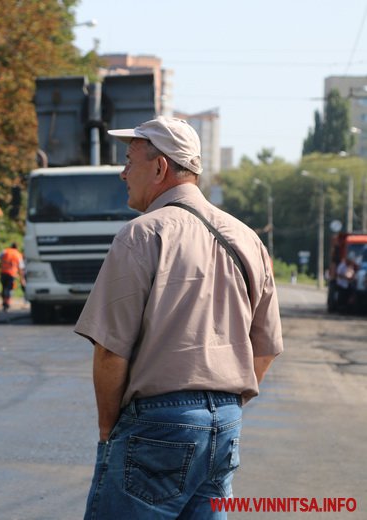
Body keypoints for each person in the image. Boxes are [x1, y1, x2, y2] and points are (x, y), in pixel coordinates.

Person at [74, 117, 283, 519]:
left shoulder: (142, 234)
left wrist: (108, 433)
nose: (123, 173)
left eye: (129, 161)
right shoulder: (247, 238)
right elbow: (266, 348)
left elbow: (110, 352)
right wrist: (223, 406)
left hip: (157, 423)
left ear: (159, 168)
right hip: (225, 425)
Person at [0, 242, 25, 311]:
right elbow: (21, 267)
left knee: (4, 288)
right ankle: (7, 303)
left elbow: (0, 258)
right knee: (9, 289)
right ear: (16, 247)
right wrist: (22, 279)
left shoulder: (5, 251)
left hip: (3, 272)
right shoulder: (18, 254)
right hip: (12, 274)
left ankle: (4, 302)